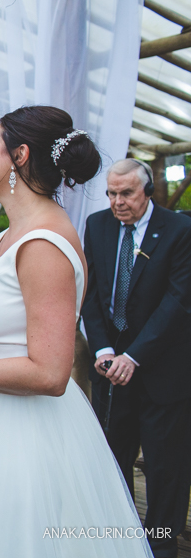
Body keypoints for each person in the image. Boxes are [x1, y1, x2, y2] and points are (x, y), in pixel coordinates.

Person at [0, 106, 152, 558]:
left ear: (18, 155)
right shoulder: (9, 233)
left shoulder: (43, 244)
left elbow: (51, 373)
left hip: (18, 441)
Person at [82, 159, 191, 558]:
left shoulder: (180, 230)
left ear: (147, 191)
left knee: (165, 467)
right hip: (110, 370)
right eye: (111, 193)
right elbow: (89, 294)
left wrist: (135, 355)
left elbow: (178, 302)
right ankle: (121, 540)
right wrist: (104, 349)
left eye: (125, 193)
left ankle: (162, 546)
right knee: (113, 458)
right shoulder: (97, 226)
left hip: (163, 370)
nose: (117, 201)